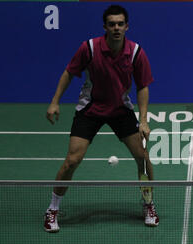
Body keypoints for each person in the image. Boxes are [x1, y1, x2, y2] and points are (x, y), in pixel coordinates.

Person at [44, 5, 158, 232]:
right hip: (91, 108)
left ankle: (148, 204)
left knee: (143, 157)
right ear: (105, 26)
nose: (116, 28)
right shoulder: (89, 48)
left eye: (120, 24)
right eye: (112, 24)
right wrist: (55, 101)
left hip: (120, 109)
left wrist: (143, 120)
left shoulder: (135, 52)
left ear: (127, 26)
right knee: (72, 160)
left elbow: (142, 86)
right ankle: (53, 208)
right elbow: (69, 72)